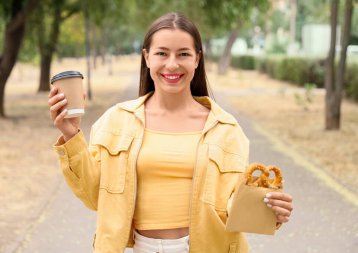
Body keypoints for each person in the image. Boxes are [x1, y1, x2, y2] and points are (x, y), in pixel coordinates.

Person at [48, 12, 293, 253]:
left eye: (183, 54)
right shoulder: (116, 121)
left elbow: (231, 207)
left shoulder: (226, 130)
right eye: (162, 53)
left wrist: (269, 210)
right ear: (146, 58)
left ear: (197, 59)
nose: (172, 64)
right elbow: (93, 197)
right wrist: (72, 136)